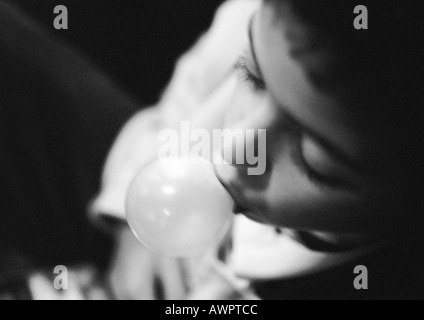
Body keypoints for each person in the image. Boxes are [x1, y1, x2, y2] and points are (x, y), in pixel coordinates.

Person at [92, 0, 424, 300]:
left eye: (315, 161)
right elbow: (189, 93)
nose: (232, 154)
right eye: (252, 76)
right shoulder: (277, 28)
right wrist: (133, 220)